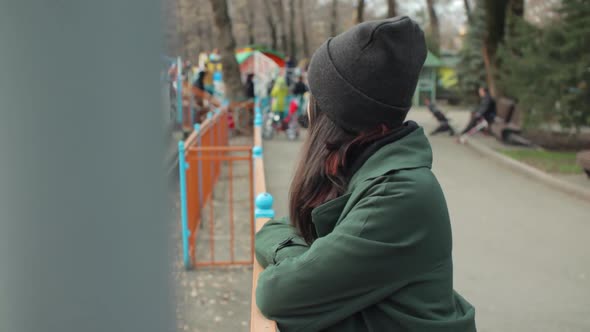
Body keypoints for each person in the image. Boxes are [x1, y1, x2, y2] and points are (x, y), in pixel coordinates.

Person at [254, 17, 476, 332]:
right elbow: (276, 228)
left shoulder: (399, 196)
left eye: (313, 97)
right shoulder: (363, 170)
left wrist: (296, 255)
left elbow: (277, 293)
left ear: (333, 116)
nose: (307, 107)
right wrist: (302, 253)